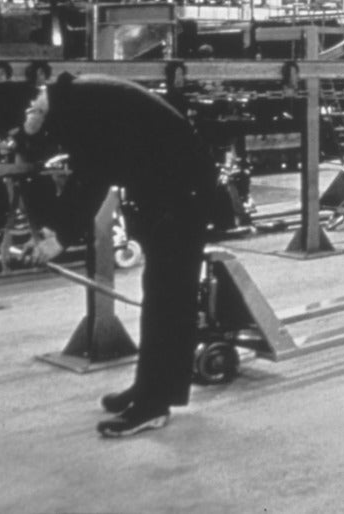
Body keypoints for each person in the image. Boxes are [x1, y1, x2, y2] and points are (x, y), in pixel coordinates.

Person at [20, 72, 214, 438]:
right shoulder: (79, 96)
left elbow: (92, 176)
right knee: (160, 293)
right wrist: (59, 228)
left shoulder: (82, 107)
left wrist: (59, 236)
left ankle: (153, 405)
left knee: (168, 298)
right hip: (170, 191)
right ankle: (150, 389)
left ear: (41, 110)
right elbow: (90, 170)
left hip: (181, 194)